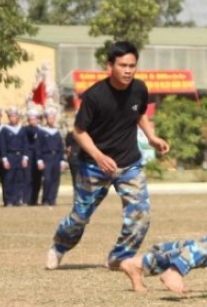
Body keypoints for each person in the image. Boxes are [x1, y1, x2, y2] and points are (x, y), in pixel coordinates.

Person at [45, 41, 170, 271]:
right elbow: (79, 132)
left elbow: (140, 113)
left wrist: (151, 137)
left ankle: (119, 258)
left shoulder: (140, 89)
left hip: (129, 164)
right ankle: (59, 247)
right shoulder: (95, 96)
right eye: (123, 65)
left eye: (132, 65)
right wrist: (99, 156)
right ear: (110, 65)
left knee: (140, 215)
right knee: (80, 216)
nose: (128, 70)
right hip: (93, 164)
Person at [36, 107, 67, 206]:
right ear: (46, 119)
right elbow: (38, 146)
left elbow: (60, 147)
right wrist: (39, 160)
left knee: (55, 179)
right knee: (47, 179)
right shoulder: (41, 132)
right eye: (49, 118)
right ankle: (45, 199)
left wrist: (62, 160)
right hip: (46, 157)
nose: (51, 120)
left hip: (56, 158)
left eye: (53, 118)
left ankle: (52, 200)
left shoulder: (57, 132)